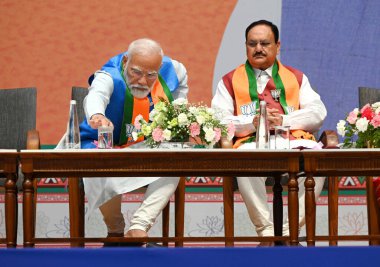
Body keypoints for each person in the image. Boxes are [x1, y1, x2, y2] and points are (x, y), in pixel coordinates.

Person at [212, 20, 327, 246]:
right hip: (252, 143)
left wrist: (284, 120)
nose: (258, 49)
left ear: (277, 46)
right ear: (245, 46)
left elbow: (318, 113)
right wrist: (253, 123)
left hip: (291, 142)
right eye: (252, 43)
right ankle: (266, 232)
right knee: (244, 163)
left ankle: (286, 231)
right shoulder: (229, 81)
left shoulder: (296, 77)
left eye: (265, 43)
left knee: (319, 165)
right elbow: (218, 120)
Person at [80, 38, 189, 246]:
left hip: (144, 145)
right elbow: (97, 94)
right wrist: (97, 115)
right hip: (106, 143)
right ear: (124, 62)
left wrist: (177, 114)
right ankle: (115, 231)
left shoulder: (174, 70)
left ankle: (139, 226)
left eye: (150, 75)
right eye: (136, 72)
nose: (142, 81)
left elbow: (180, 93)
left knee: (176, 159)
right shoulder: (109, 75)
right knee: (100, 162)